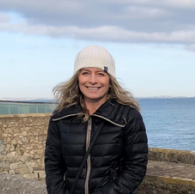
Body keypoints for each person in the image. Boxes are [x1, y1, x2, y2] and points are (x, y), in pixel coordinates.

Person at [45, 45, 148, 194]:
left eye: (100, 73)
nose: (93, 80)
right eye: (86, 73)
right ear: (77, 78)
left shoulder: (128, 117)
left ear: (110, 79)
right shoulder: (60, 117)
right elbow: (53, 165)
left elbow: (136, 167)